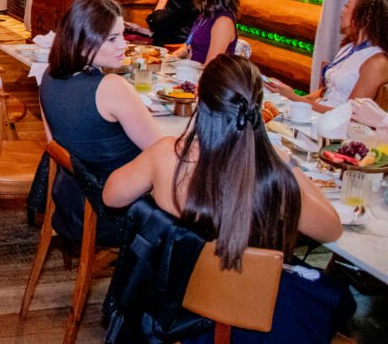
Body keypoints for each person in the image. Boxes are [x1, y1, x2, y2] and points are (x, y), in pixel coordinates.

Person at [103, 55, 351, 341]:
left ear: (199, 99)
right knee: (338, 298)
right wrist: (290, 166)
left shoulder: (167, 154)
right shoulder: (275, 179)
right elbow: (332, 229)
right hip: (250, 311)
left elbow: (111, 196)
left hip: (175, 301)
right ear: (258, 107)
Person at [33, 0, 163, 245]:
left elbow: (52, 144)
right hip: (116, 211)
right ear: (83, 42)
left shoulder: (48, 75)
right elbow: (160, 150)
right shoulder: (111, 86)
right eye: (112, 39)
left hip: (71, 201)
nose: (123, 45)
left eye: (123, 35)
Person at [270, 0, 388, 113]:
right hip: (317, 114)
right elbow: (324, 93)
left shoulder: (377, 63)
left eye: (347, 6)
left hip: (335, 123)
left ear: (364, 16)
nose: (342, 10)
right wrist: (286, 99)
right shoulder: (349, 47)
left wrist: (293, 97)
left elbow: (349, 114)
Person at [178, 0, 238, 66]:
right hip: (194, 71)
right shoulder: (205, 15)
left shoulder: (223, 22)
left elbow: (210, 66)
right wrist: (170, 58)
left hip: (207, 75)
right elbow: (187, 46)